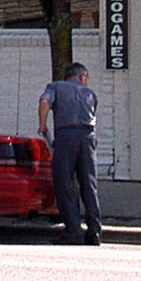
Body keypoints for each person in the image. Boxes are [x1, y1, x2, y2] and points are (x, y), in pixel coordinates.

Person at [38, 62, 101, 245]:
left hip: (66, 137)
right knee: (89, 184)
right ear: (82, 77)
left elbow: (44, 102)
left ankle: (73, 231)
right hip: (88, 137)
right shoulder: (90, 94)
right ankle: (94, 231)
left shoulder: (55, 87)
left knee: (64, 183)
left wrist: (43, 125)